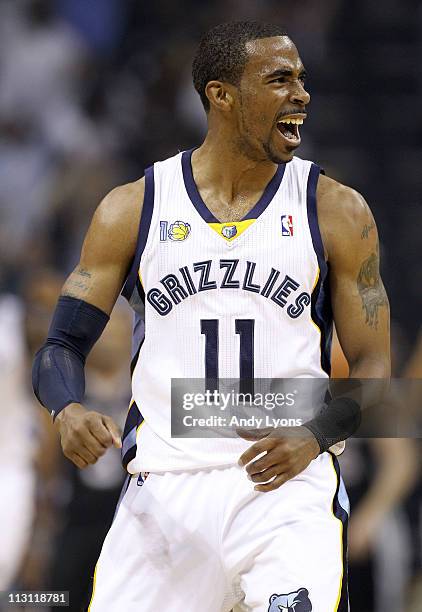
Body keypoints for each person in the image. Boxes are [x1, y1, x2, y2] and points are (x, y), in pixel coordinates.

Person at [32, 21, 390, 612]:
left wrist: (318, 435)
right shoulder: (133, 208)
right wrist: (65, 408)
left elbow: (376, 361)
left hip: (287, 485)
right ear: (221, 96)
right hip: (165, 491)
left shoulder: (337, 210)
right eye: (279, 80)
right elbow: (61, 345)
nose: (301, 94)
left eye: (302, 79)